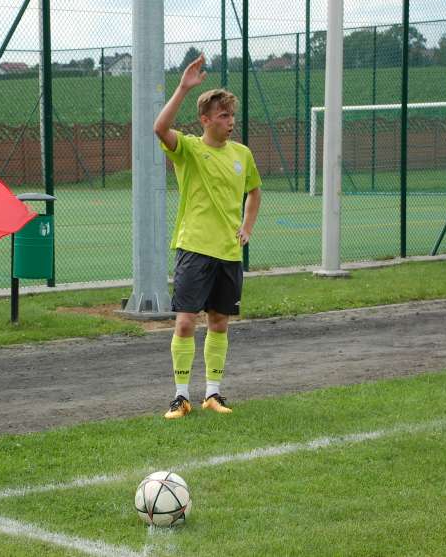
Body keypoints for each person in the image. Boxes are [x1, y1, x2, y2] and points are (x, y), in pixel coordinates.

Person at [153, 54, 262, 419]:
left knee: (219, 322)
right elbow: (159, 128)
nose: (230, 122)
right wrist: (183, 87)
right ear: (205, 120)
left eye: (232, 116)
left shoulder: (242, 155)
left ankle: (213, 393)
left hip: (228, 253)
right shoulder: (189, 149)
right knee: (185, 322)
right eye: (223, 116)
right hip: (194, 249)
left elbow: (255, 192)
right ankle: (180, 396)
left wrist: (247, 227)